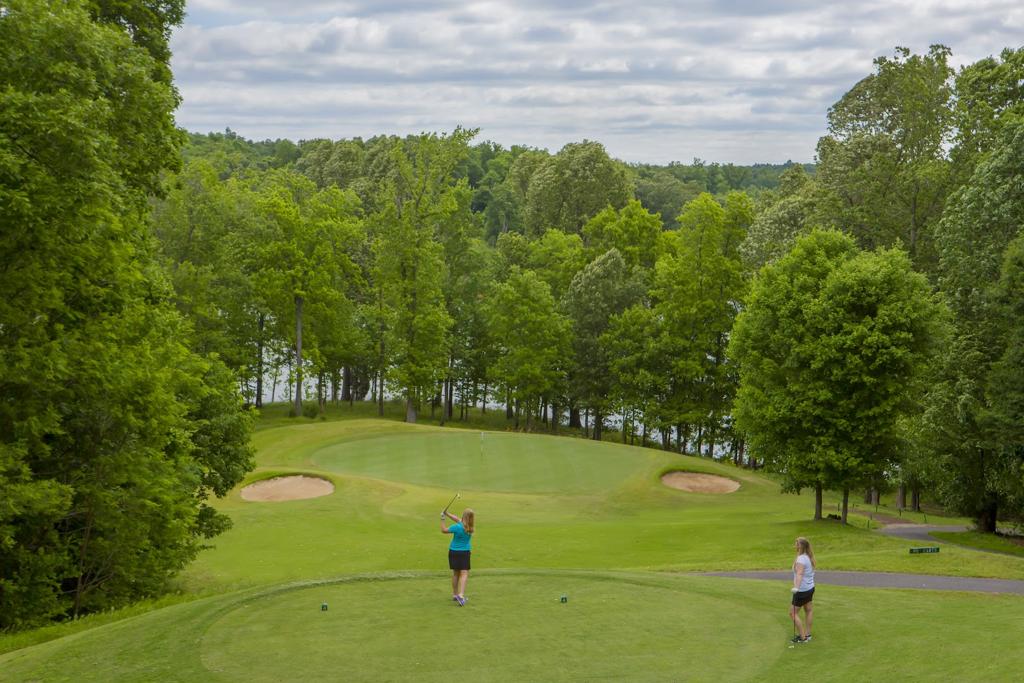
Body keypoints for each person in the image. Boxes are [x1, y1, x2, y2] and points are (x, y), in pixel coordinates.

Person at [441, 507, 475, 606]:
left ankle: (455, 594)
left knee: (456, 573)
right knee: (464, 573)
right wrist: (447, 513)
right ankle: (461, 595)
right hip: (464, 553)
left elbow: (444, 530)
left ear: (463, 516)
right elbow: (457, 519)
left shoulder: (457, 527)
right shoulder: (470, 527)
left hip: (453, 552)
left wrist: (443, 518)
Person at [789, 536, 816, 643]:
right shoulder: (808, 556)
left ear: (800, 546)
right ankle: (808, 635)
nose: (795, 545)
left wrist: (796, 587)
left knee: (792, 613)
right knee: (808, 610)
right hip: (810, 588)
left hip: (802, 590)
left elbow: (799, 574)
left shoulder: (801, 559)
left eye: (796, 544)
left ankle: (802, 637)